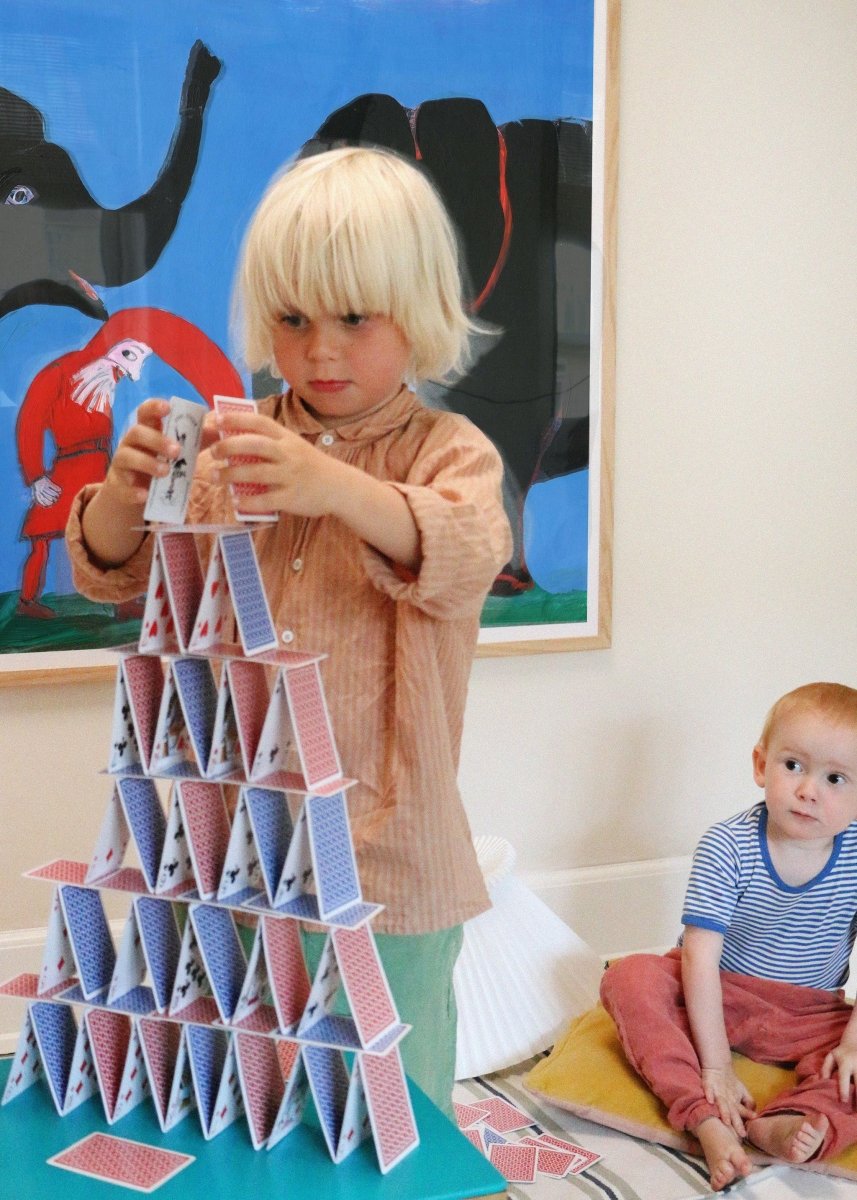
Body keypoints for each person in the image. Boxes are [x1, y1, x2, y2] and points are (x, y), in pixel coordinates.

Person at [65, 147, 512, 1115]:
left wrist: (332, 486)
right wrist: (123, 491)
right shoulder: (229, 444)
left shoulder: (449, 453)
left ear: (420, 311)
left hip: (389, 860)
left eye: (355, 318)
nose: (320, 352)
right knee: (240, 1091)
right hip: (231, 852)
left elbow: (466, 547)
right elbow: (115, 573)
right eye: (295, 319)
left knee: (390, 1101)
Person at [600, 682, 857, 1190]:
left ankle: (788, 1123)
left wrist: (852, 1043)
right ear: (761, 765)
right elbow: (697, 959)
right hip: (719, 992)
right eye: (793, 766)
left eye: (835, 778)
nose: (809, 790)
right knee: (629, 978)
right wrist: (716, 1067)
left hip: (810, 1011)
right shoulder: (728, 845)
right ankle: (704, 1118)